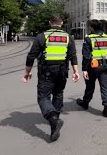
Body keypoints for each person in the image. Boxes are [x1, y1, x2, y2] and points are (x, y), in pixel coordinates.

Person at [22, 13, 79, 142]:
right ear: (62, 23)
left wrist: (27, 72)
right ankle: (55, 123)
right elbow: (73, 56)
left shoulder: (42, 37)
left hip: (46, 72)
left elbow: (31, 56)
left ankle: (54, 120)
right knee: (58, 93)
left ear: (49, 23)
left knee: (43, 97)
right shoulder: (68, 37)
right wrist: (76, 71)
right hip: (62, 71)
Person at [76, 19, 107, 117]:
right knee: (105, 87)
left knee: (90, 86)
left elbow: (86, 56)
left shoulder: (89, 39)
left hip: (92, 67)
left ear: (92, 28)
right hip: (105, 66)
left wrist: (84, 69)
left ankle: (85, 103)